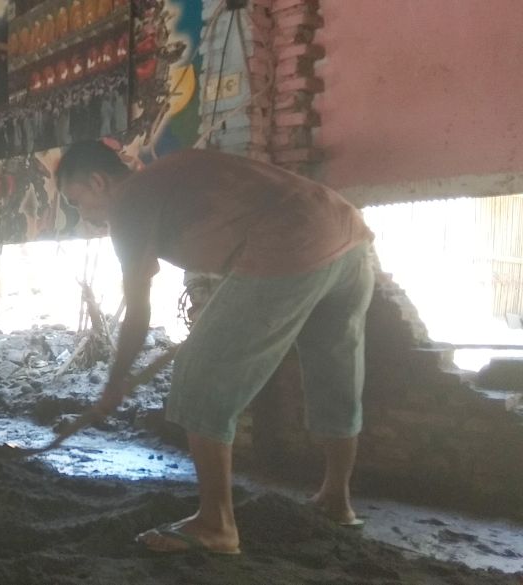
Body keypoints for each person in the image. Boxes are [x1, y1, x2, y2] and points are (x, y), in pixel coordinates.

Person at [55, 141, 375, 555]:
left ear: (98, 182)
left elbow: (137, 311)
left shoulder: (130, 203)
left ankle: (215, 524)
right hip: (349, 237)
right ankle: (337, 500)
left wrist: (115, 383)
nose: (84, 215)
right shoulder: (170, 171)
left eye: (77, 201)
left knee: (199, 376)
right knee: (336, 369)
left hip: (289, 244)